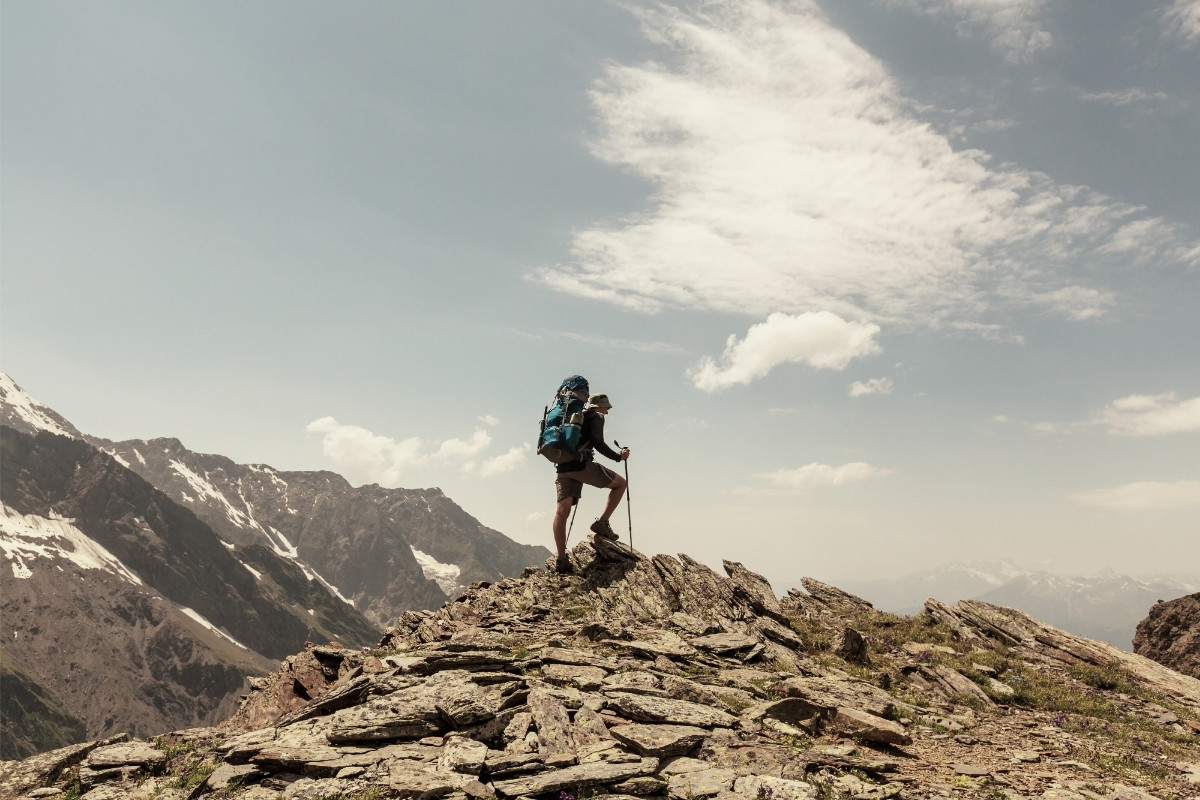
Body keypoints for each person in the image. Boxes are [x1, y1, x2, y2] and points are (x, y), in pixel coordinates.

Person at [551, 392, 630, 574]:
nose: (607, 412)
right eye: (607, 407)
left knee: (561, 512)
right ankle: (602, 522)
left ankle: (561, 559)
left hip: (563, 468)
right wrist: (618, 457)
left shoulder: (573, 418)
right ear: (598, 406)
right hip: (581, 466)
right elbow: (598, 441)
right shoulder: (596, 416)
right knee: (621, 484)